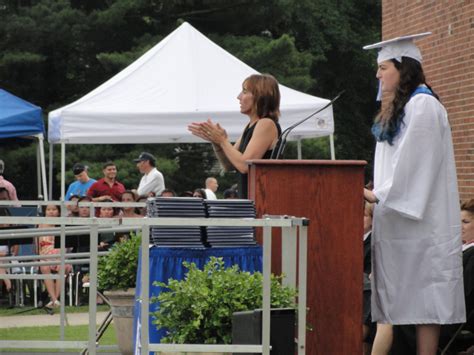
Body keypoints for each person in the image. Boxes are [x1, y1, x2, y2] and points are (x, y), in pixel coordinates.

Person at [363, 33, 465, 354]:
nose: (378, 75)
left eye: (383, 67)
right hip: (403, 221)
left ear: (403, 67)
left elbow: (414, 167)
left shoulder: (423, 106)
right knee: (415, 298)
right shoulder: (401, 108)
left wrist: (376, 195)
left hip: (423, 223)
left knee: (427, 298)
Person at [188, 74, 282, 198]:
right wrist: (217, 143)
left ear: (260, 96)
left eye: (244, 91)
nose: (239, 97)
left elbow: (245, 165)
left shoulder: (266, 124)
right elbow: (229, 164)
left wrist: (223, 141)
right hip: (249, 198)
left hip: (261, 200)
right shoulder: (250, 125)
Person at [37, 204, 72, 308]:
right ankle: (55, 299)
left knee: (62, 266)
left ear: (58, 211)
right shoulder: (40, 225)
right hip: (45, 256)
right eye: (48, 209)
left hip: (60, 255)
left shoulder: (63, 224)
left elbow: (68, 245)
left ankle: (54, 300)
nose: (51, 212)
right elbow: (38, 246)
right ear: (45, 211)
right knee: (44, 267)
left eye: (54, 209)